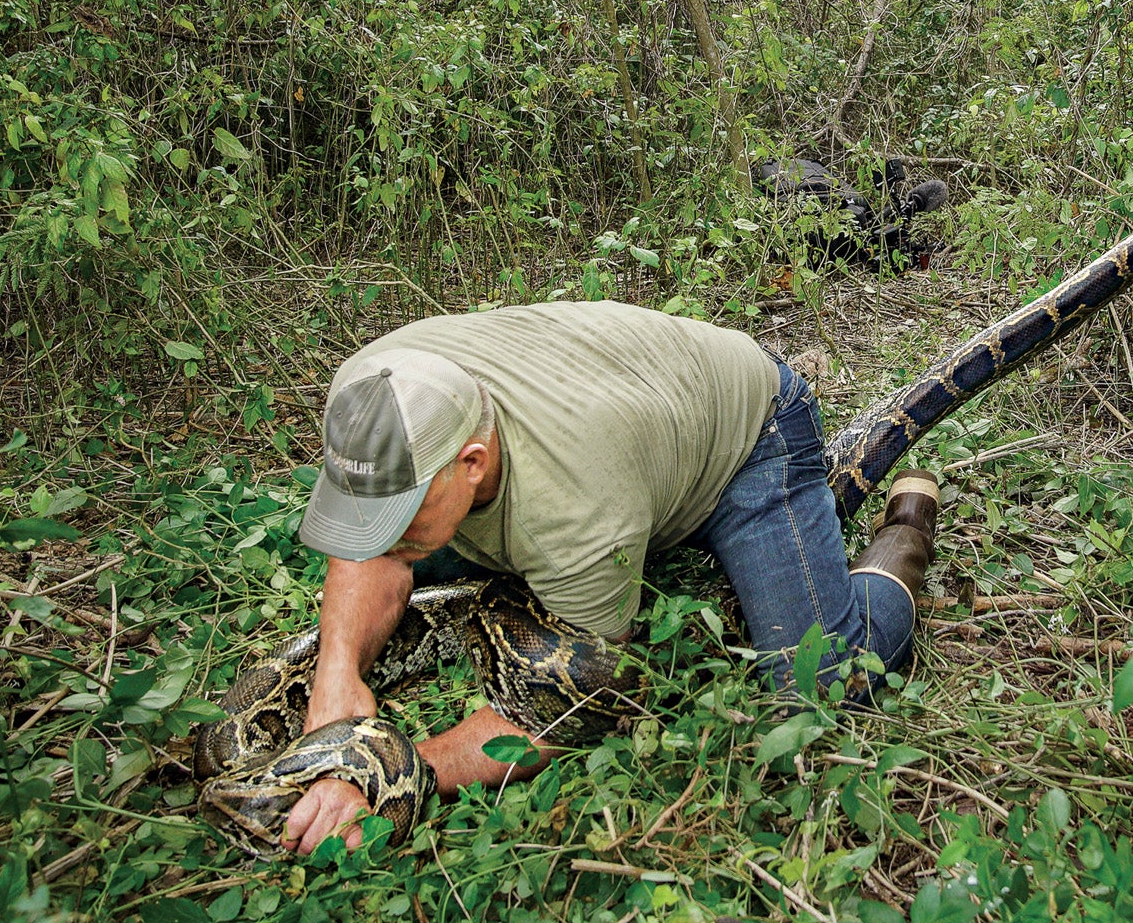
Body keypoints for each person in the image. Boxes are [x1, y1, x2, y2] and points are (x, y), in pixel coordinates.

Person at [277, 300, 940, 853]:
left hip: (750, 433)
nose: (381, 536)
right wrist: (337, 674)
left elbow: (563, 716)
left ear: (472, 462)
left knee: (821, 686)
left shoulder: (575, 512)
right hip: (627, 403)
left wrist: (383, 774)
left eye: (400, 513)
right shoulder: (369, 392)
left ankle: (902, 539)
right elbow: (372, 551)